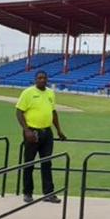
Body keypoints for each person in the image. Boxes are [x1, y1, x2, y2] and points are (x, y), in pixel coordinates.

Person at [16, 70, 67, 203]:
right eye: (39, 78)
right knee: (29, 163)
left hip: (47, 133)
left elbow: (53, 112)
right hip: (32, 132)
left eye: (44, 78)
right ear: (35, 80)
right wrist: (26, 131)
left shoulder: (50, 93)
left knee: (47, 163)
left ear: (47, 79)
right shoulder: (28, 93)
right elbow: (19, 112)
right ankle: (27, 193)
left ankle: (49, 193)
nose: (42, 80)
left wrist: (59, 131)